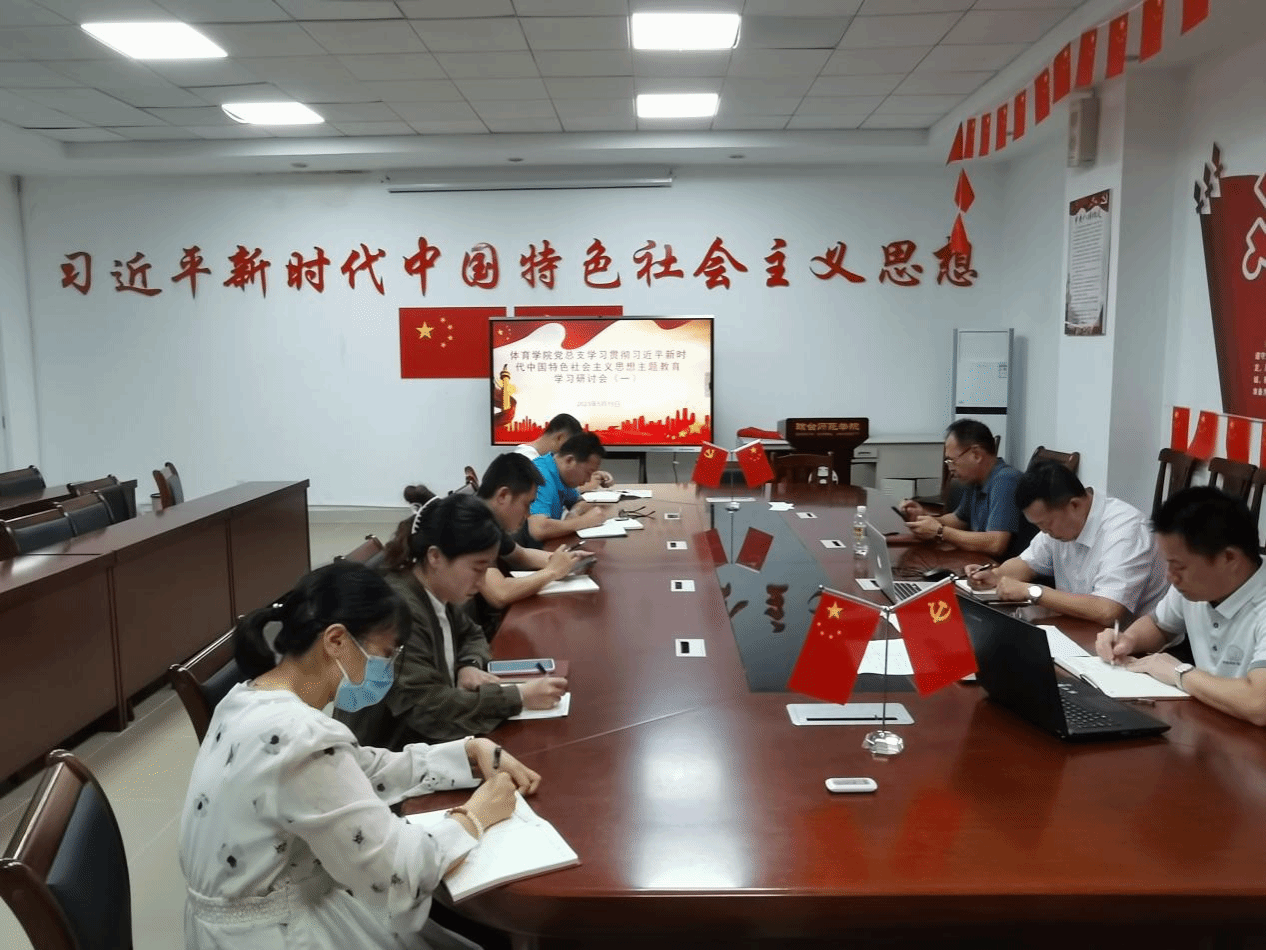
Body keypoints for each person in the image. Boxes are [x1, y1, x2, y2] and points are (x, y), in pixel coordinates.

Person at [179, 560, 541, 950]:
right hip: (282, 934)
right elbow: (393, 874)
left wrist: (468, 752)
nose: (387, 670)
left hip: (232, 925)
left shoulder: (246, 698)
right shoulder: (300, 735)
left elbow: (356, 768)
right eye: (385, 654)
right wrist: (475, 816)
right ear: (336, 641)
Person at [337, 488, 568, 749]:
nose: (481, 582)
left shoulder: (434, 588)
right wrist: (518, 697)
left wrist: (467, 665)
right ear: (435, 556)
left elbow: (472, 633)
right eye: (477, 568)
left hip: (428, 742)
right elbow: (428, 708)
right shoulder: (398, 612)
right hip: (390, 753)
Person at [1097, 486, 1266, 726]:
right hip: (1212, 721)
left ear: (1229, 558)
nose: (1170, 576)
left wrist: (1180, 673)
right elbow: (1160, 626)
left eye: (1179, 566)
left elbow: (1259, 704)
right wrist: (1128, 639)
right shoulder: (1194, 588)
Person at [964, 462, 1168, 625]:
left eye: (1046, 524)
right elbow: (1026, 563)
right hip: (1079, 627)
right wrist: (995, 575)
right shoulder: (1060, 521)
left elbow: (1108, 611)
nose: (1045, 532)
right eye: (1038, 526)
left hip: (1133, 646)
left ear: (1074, 505)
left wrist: (1033, 592)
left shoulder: (1125, 531)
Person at [468, 453, 589, 638]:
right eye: (526, 504)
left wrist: (568, 559)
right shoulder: (473, 525)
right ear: (503, 495)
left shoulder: (486, 515)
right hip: (477, 636)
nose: (528, 514)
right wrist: (552, 572)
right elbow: (499, 594)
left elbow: (520, 555)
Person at [899, 419, 1032, 560]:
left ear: (976, 455)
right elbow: (958, 520)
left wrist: (940, 532)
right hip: (980, 562)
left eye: (951, 461)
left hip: (1004, 567)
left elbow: (996, 544)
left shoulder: (1005, 480)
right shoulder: (976, 480)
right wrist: (924, 517)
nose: (950, 469)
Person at [524, 431, 612, 543]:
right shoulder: (541, 475)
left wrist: (574, 513)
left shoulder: (561, 474)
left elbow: (579, 501)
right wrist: (585, 521)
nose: (589, 480)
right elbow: (537, 529)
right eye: (588, 473)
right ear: (570, 460)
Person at [516, 412, 613, 488]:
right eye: (571, 445)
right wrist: (590, 484)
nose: (572, 451)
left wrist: (591, 474)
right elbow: (551, 490)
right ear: (560, 437)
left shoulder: (548, 459)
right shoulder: (526, 458)